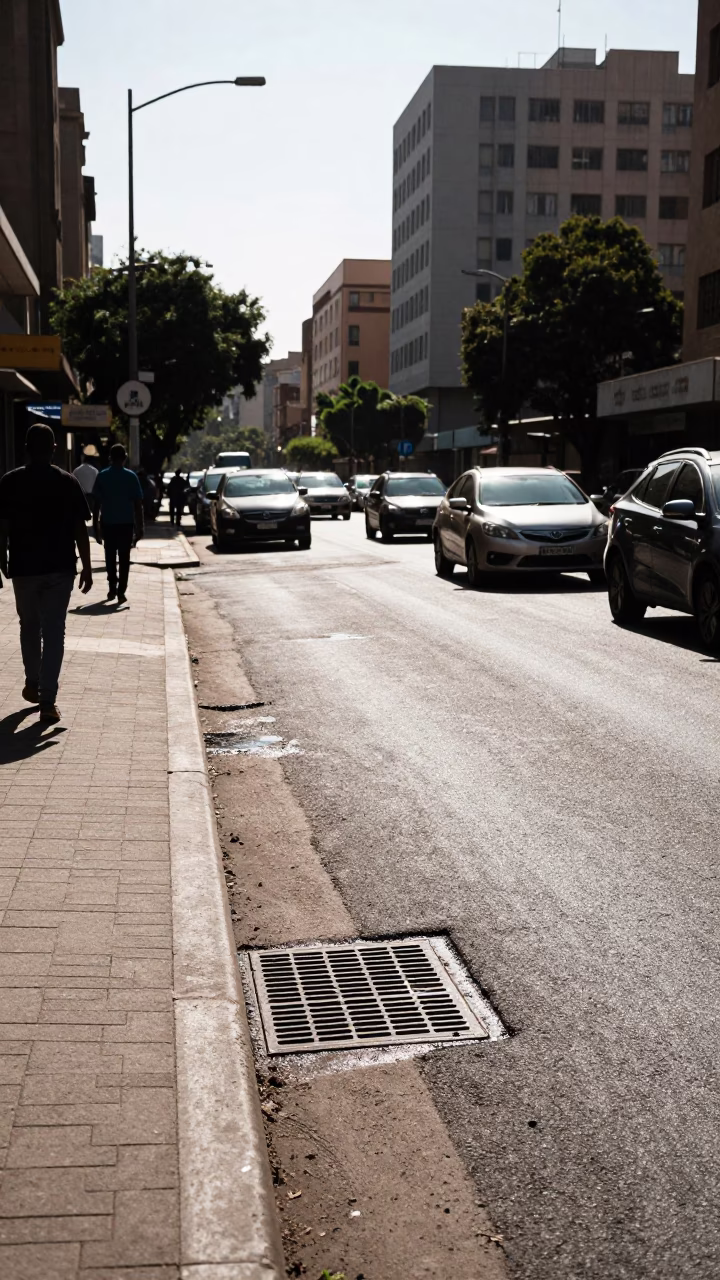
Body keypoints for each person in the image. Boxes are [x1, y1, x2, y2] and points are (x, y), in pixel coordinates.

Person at [0, 422, 92, 723]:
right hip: (60, 568)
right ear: (54, 449)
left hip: (24, 568)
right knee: (54, 633)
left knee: (29, 626)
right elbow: (80, 527)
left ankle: (33, 682)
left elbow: (1, 526)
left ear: (26, 448)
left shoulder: (10, 482)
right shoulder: (67, 481)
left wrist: (1, 557)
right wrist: (88, 567)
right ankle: (47, 701)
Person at [92, 443, 144, 605]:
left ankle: (112, 586)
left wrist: (96, 527)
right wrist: (140, 527)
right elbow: (138, 505)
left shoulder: (102, 476)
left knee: (110, 557)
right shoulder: (131, 477)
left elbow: (96, 505)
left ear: (110, 458)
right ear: (125, 458)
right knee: (124, 558)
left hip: (108, 524)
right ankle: (121, 590)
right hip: (126, 524)